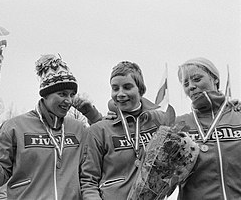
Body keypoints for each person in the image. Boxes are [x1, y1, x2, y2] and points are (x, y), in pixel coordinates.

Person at [0, 54, 102, 200]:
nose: (68, 101)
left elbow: (104, 147)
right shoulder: (14, 127)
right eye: (62, 94)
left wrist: (94, 116)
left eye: (72, 94)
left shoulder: (78, 129)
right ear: (45, 94)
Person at [79, 61, 175, 200]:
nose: (121, 94)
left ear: (140, 89)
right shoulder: (99, 130)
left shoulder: (160, 121)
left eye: (127, 87)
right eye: (115, 88)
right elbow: (88, 181)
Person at [175, 57, 241, 200]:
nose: (191, 86)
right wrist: (114, 114)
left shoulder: (238, 116)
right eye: (185, 83)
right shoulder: (179, 124)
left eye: (197, 79)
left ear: (215, 79)